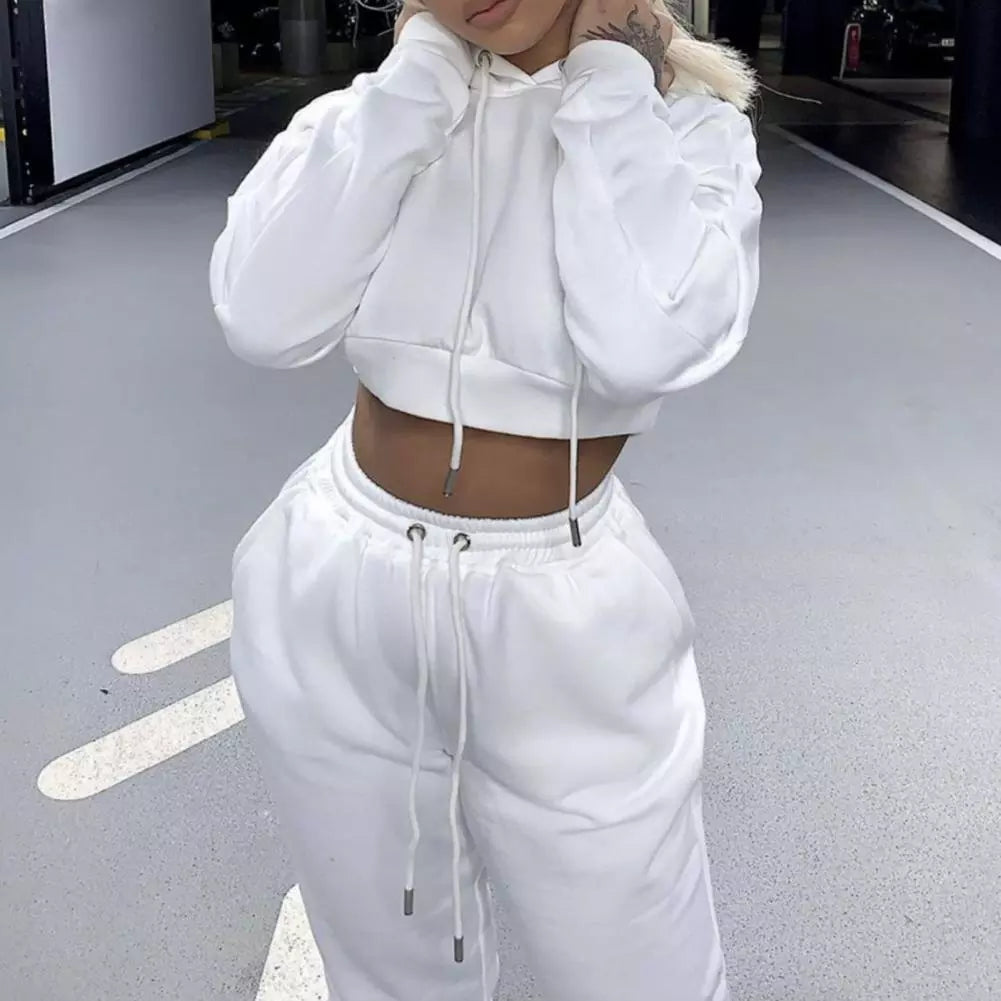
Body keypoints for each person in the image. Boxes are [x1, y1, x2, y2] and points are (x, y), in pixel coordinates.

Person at [209, 1, 761, 998]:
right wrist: (419, 74)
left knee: (639, 966)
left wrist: (607, 82)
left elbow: (646, 342)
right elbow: (263, 317)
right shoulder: (380, 110)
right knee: (384, 962)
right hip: (335, 570)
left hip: (560, 606)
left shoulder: (686, 129)